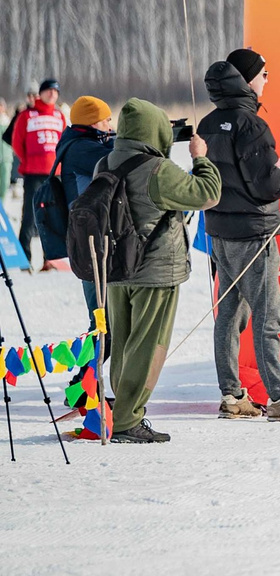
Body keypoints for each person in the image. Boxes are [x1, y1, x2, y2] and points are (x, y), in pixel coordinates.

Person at [199, 50, 280, 422]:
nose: (268, 81)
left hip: (220, 232)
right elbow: (266, 186)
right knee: (269, 318)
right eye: (265, 74)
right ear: (248, 79)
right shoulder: (251, 125)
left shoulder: (207, 123)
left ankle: (232, 395)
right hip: (253, 234)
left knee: (230, 314)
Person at [97, 99, 223, 443]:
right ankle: (127, 420)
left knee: (123, 342)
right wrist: (201, 158)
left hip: (117, 268)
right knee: (148, 345)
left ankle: (121, 410)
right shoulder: (158, 169)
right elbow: (207, 194)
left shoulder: (105, 161)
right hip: (154, 271)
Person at [50, 96, 117, 321]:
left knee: (109, 315)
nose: (110, 125)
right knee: (101, 319)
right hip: (88, 237)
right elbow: (115, 161)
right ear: (92, 123)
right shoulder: (79, 148)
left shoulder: (86, 143)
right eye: (106, 120)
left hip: (94, 232)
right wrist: (134, 139)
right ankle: (92, 356)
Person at [11, 78, 66, 263]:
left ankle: (50, 259)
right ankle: (24, 257)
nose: (52, 94)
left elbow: (64, 142)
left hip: (54, 173)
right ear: (40, 93)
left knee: (54, 217)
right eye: (49, 91)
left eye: (56, 91)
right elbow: (17, 142)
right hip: (33, 172)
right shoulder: (27, 115)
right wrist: (27, 160)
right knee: (30, 215)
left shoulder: (59, 116)